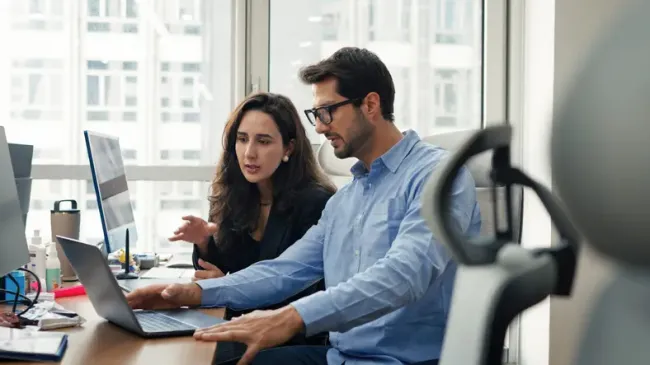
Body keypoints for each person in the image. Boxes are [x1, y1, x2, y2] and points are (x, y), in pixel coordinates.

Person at [127, 47, 481, 365]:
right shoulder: (347, 199)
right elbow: (283, 271)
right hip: (339, 357)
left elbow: (404, 276)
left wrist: (291, 317)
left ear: (370, 105)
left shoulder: (437, 175)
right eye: (317, 114)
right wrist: (194, 293)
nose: (321, 127)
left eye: (328, 111)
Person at [167, 92, 336, 361]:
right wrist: (203, 242)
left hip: (286, 336)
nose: (250, 153)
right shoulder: (235, 194)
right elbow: (224, 264)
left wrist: (226, 286)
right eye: (242, 139)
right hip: (240, 321)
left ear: (289, 149)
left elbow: (296, 288)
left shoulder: (314, 203)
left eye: (263, 141)